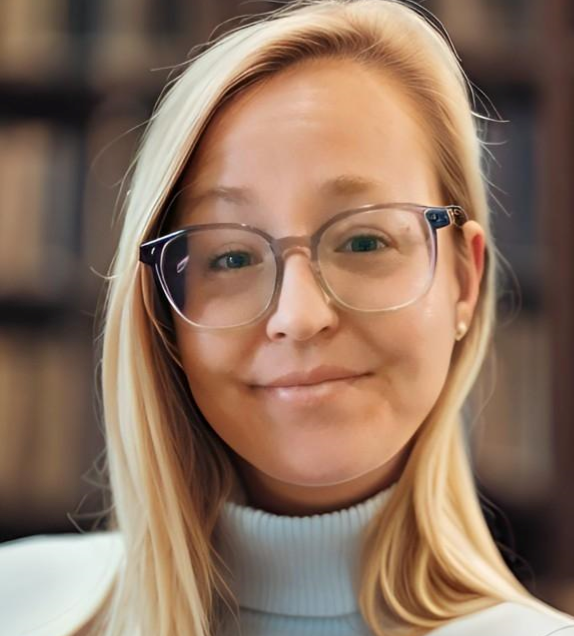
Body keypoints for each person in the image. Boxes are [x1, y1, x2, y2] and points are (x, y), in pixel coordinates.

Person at [1, 1, 573, 635]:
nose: (300, 317)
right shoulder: (19, 604)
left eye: (364, 242)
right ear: (162, 313)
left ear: (464, 279)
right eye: (233, 256)